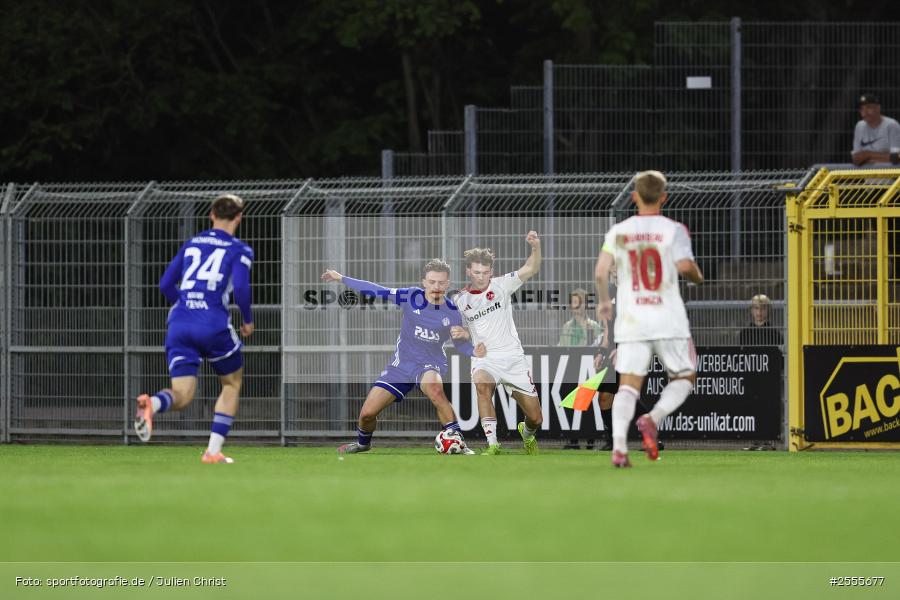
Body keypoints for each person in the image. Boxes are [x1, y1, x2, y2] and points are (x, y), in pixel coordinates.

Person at [134, 194, 254, 464]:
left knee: (182, 395)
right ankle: (212, 451)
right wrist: (247, 319)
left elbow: (165, 284)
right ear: (239, 217)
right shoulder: (239, 249)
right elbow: (241, 288)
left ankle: (152, 403)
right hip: (213, 324)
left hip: (179, 324)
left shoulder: (192, 244)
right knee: (231, 383)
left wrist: (186, 304)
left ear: (211, 214)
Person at [595, 170, 704, 468]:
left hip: (632, 319)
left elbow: (601, 272)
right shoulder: (674, 230)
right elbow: (686, 267)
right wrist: (698, 276)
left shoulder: (619, 231)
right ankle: (653, 418)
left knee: (627, 386)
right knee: (684, 377)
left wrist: (604, 302)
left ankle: (619, 448)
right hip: (667, 318)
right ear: (664, 197)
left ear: (634, 197)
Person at [322, 259, 486, 454]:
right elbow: (377, 291)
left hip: (429, 364)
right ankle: (363, 444)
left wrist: (472, 349)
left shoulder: (452, 313)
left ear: (447, 284)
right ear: (424, 282)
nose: (436, 287)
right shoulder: (410, 296)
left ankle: (458, 442)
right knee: (367, 414)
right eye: (432, 282)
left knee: (435, 391)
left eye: (441, 283)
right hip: (400, 366)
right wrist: (341, 278)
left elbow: (460, 345)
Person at [453, 232, 543, 455]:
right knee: (482, 385)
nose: (481, 277)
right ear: (468, 271)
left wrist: (535, 247)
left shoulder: (502, 285)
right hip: (486, 359)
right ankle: (493, 444)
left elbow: (531, 268)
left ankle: (527, 434)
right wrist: (463, 334)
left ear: (491, 272)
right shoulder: (460, 300)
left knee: (535, 418)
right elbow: (456, 330)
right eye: (476, 272)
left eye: (485, 272)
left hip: (513, 358)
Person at [851, 94, 900, 167]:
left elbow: (896, 158)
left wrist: (868, 154)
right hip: (867, 173)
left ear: (878, 108)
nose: (865, 112)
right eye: (862, 109)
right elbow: (856, 159)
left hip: (889, 173)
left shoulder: (892, 125)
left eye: (869, 107)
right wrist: (884, 157)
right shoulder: (859, 126)